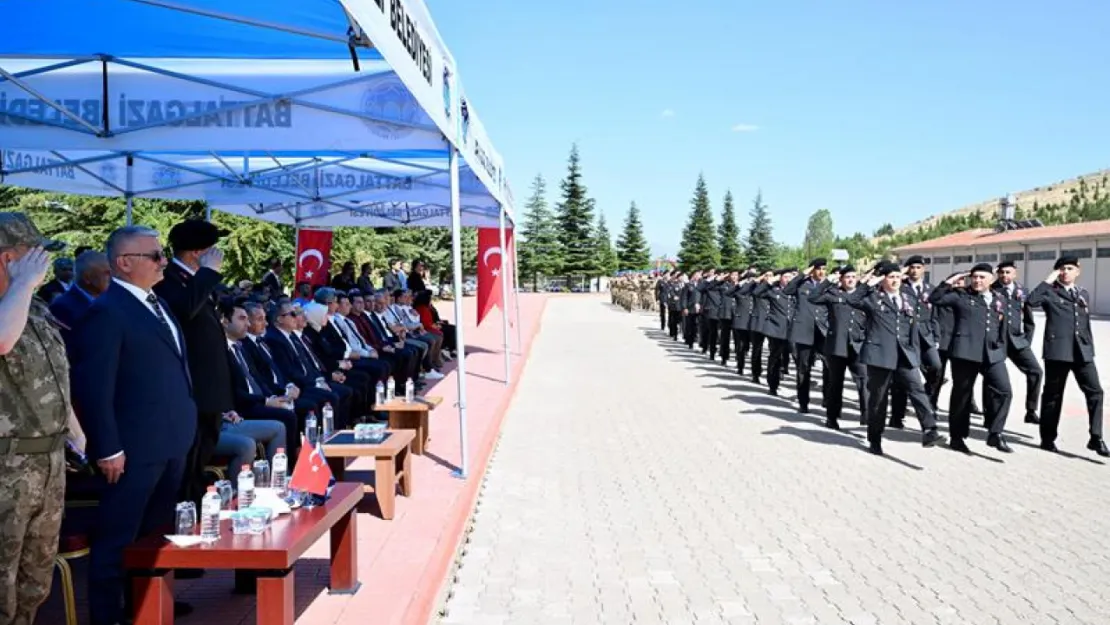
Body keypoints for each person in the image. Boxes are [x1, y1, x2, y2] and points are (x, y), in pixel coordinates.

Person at [72, 225, 197, 625]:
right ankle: (109, 616)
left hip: (170, 440)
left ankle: (148, 602)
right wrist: (107, 447)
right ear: (125, 263)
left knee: (154, 536)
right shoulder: (106, 313)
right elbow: (93, 387)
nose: (164, 261)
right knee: (117, 539)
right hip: (132, 448)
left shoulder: (155, 304)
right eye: (156, 255)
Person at [0, 212, 77, 625]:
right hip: (5, 471)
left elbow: (56, 380)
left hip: (46, 466)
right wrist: (22, 285)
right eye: (36, 256)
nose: (44, 265)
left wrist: (78, 436)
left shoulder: (36, 309)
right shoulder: (12, 307)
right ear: (8, 258)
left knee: (33, 584)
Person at [154, 220, 231, 511]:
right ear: (197, 252)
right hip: (194, 385)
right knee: (191, 457)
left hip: (210, 386)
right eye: (212, 248)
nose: (218, 253)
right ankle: (187, 512)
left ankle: (196, 506)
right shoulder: (169, 279)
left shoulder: (197, 279)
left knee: (204, 452)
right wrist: (209, 273)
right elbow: (186, 308)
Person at [845, 261, 946, 455]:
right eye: (891, 277)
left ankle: (930, 430)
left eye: (898, 277)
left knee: (917, 389)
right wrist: (867, 283)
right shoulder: (873, 298)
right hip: (879, 355)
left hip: (904, 355)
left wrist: (916, 352)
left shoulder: (908, 299)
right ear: (883, 280)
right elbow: (852, 300)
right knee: (878, 400)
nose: (895, 281)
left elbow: (915, 326)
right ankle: (875, 438)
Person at [1026, 256, 1109, 456]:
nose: (1065, 272)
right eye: (1062, 269)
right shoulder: (1049, 292)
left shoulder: (1083, 294)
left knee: (1096, 392)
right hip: (1058, 352)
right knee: (1053, 396)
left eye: (1069, 268)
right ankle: (1047, 438)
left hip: (1082, 352)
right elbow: (1031, 301)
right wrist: (1049, 279)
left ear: (1077, 271)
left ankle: (1096, 437)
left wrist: (1089, 347)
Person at [929, 265, 1013, 453]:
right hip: (965, 352)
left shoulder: (1000, 298)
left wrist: (1002, 347)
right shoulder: (961, 295)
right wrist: (952, 279)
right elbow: (934, 298)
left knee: (1004, 390)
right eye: (974, 277)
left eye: (982, 277)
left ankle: (995, 433)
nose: (977, 281)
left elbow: (1004, 325)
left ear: (991, 279)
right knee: (962, 395)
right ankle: (957, 437)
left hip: (992, 352)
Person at [810, 265, 869, 429]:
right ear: (841, 279)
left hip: (858, 344)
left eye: (853, 276)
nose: (850, 279)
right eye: (847, 277)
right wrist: (827, 281)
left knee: (864, 381)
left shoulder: (864, 295)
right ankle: (832, 417)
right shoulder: (832, 294)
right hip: (837, 346)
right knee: (836, 383)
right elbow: (813, 297)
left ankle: (867, 415)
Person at [991, 260, 1043, 425]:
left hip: (1017, 341)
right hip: (997, 341)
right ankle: (990, 414)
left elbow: (1028, 318)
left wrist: (1027, 340)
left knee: (1036, 372)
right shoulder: (991, 289)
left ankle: (1031, 410)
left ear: (1015, 273)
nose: (1004, 275)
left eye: (1008, 272)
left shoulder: (1022, 291)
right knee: (992, 379)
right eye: (1002, 272)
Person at [784, 259, 830, 413]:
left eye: (824, 269)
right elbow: (787, 290)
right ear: (812, 270)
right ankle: (803, 401)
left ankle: (827, 398)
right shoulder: (802, 284)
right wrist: (803, 274)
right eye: (818, 269)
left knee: (829, 368)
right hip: (804, 331)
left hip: (823, 332)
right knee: (803, 368)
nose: (821, 272)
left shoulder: (829, 285)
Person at [50, 250, 111, 353]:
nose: (113, 277)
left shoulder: (115, 299)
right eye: (107, 273)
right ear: (87, 278)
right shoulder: (62, 308)